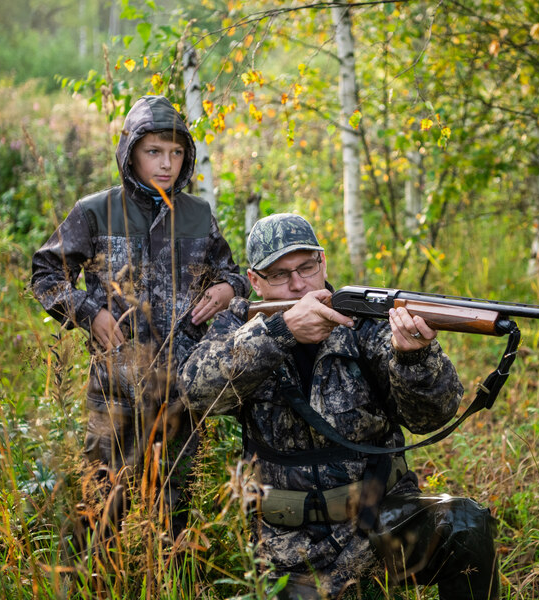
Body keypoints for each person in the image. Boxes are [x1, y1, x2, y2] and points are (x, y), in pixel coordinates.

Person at [179, 213, 499, 599]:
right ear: (255, 282)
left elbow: (433, 415)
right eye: (280, 275)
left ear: (323, 262)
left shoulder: (367, 320)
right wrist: (280, 333)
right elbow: (195, 391)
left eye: (306, 267)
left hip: (383, 525)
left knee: (466, 523)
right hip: (288, 549)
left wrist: (414, 359)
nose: (298, 284)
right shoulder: (239, 326)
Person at [31, 95, 250, 555]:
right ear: (130, 152)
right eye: (154, 152)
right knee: (100, 511)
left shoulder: (197, 215)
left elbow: (232, 275)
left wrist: (228, 289)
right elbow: (46, 274)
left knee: (174, 520)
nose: (166, 164)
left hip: (181, 396)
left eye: (176, 153)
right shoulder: (95, 211)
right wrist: (91, 313)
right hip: (114, 394)